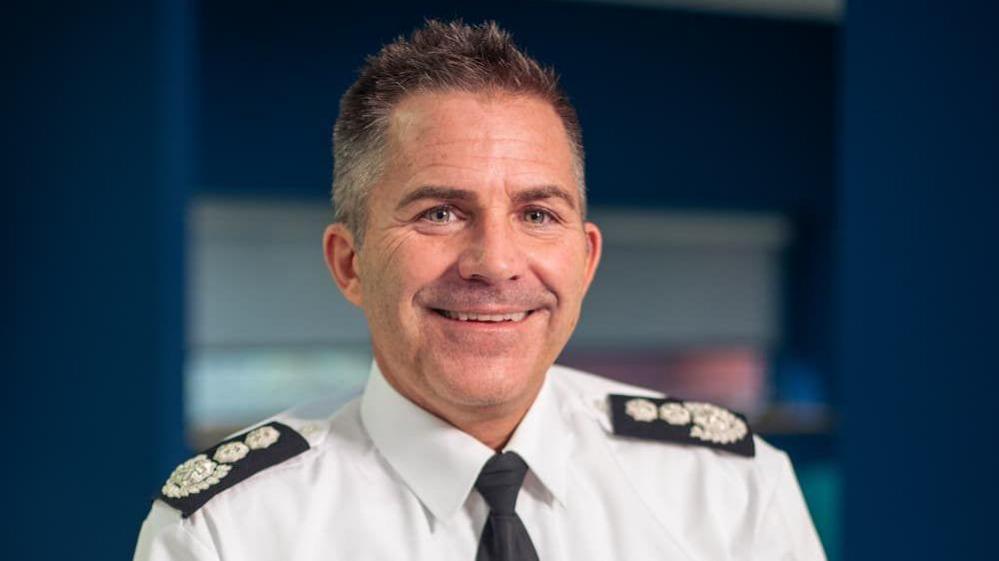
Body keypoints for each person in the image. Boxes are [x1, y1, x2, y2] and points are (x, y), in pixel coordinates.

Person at [133, 19, 826, 561]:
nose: (495, 262)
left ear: (584, 261)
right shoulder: (227, 532)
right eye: (439, 212)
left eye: (536, 214)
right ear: (349, 263)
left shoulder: (733, 489)